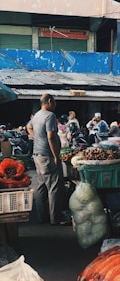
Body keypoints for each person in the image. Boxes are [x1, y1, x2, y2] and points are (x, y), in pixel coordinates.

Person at [27, 93, 69, 225]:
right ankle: (55, 218)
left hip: (37, 155)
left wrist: (37, 138)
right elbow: (51, 137)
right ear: (49, 102)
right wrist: (56, 156)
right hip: (47, 156)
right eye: (55, 103)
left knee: (41, 186)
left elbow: (28, 127)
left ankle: (42, 217)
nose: (55, 105)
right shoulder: (50, 116)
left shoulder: (37, 115)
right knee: (54, 187)